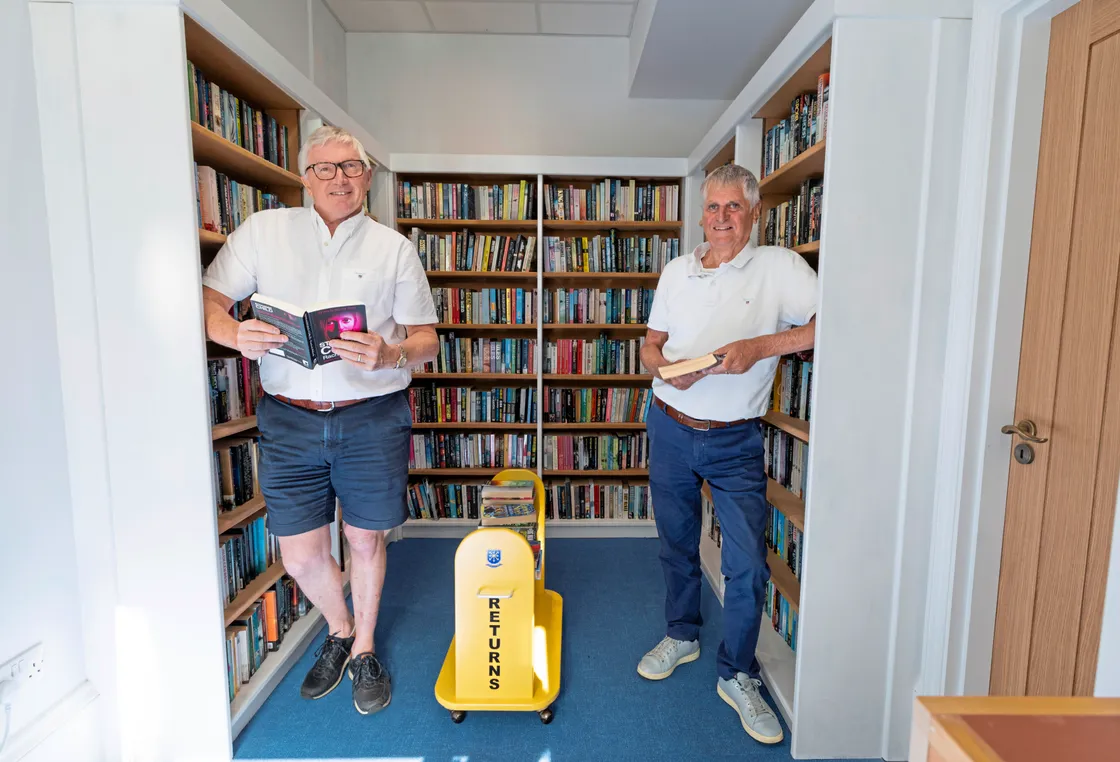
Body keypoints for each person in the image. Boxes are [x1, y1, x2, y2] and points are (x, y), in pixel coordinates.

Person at [201, 125, 438, 715]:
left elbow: (427, 339)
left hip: (371, 417)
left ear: (368, 175)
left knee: (364, 537)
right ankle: (337, 626)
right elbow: (208, 301)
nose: (340, 178)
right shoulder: (263, 232)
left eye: (351, 167)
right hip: (290, 419)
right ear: (305, 176)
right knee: (301, 551)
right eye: (325, 168)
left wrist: (393, 353)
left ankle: (362, 647)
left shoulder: (394, 249)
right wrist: (234, 332)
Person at [637, 163, 817, 744]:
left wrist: (760, 347)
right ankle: (682, 634)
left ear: (755, 213)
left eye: (733, 207)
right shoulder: (675, 272)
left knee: (747, 563)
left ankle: (737, 673)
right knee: (675, 542)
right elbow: (650, 346)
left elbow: (828, 323)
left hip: (735, 438)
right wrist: (664, 370)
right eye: (712, 208)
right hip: (668, 423)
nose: (721, 219)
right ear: (701, 214)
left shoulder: (780, 267)